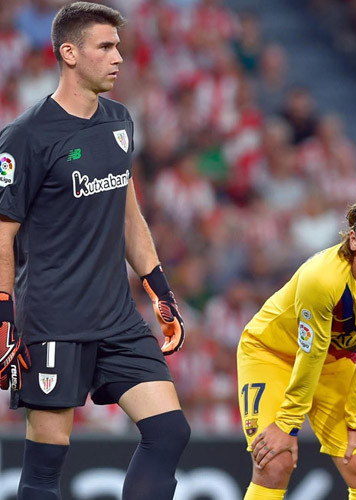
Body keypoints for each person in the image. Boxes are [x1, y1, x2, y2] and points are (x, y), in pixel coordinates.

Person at [0, 3, 190, 499]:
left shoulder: (119, 121)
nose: (118, 57)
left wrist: (160, 291)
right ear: (69, 53)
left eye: (118, 47)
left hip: (116, 318)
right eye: (105, 47)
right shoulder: (25, 137)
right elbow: (2, 235)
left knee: (169, 431)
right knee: (45, 465)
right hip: (54, 321)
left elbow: (129, 216)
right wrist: (2, 315)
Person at [237, 190, 356, 500]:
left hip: (332, 361)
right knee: (274, 463)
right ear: (354, 241)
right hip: (270, 354)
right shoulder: (322, 278)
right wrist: (287, 424)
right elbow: (310, 351)